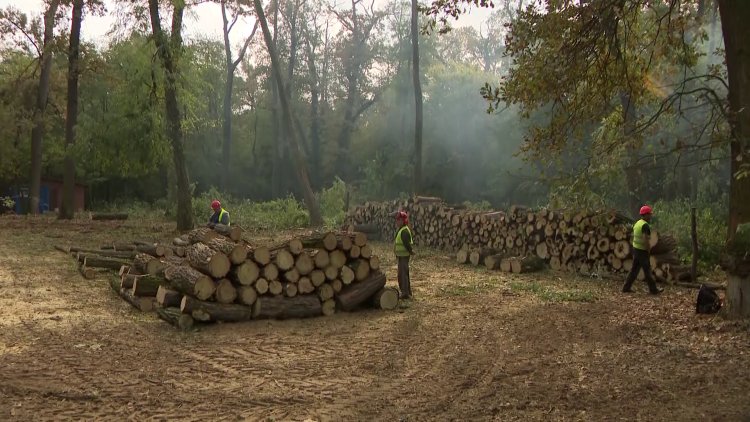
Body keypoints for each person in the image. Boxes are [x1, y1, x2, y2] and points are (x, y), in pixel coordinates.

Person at [622, 205, 663, 295]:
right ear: (646, 215)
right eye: (649, 214)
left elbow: (634, 236)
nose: (651, 216)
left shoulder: (637, 223)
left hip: (636, 249)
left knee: (634, 270)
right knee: (647, 270)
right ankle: (653, 290)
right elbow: (645, 239)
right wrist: (648, 249)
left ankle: (626, 287)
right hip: (642, 251)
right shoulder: (645, 225)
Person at [394, 210, 414, 299]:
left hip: (404, 256)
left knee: (402, 275)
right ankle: (407, 292)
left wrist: (411, 251)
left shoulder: (404, 231)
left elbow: (407, 244)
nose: (397, 222)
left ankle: (405, 293)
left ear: (403, 221)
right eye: (397, 220)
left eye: (399, 220)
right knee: (403, 274)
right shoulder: (401, 229)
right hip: (401, 256)